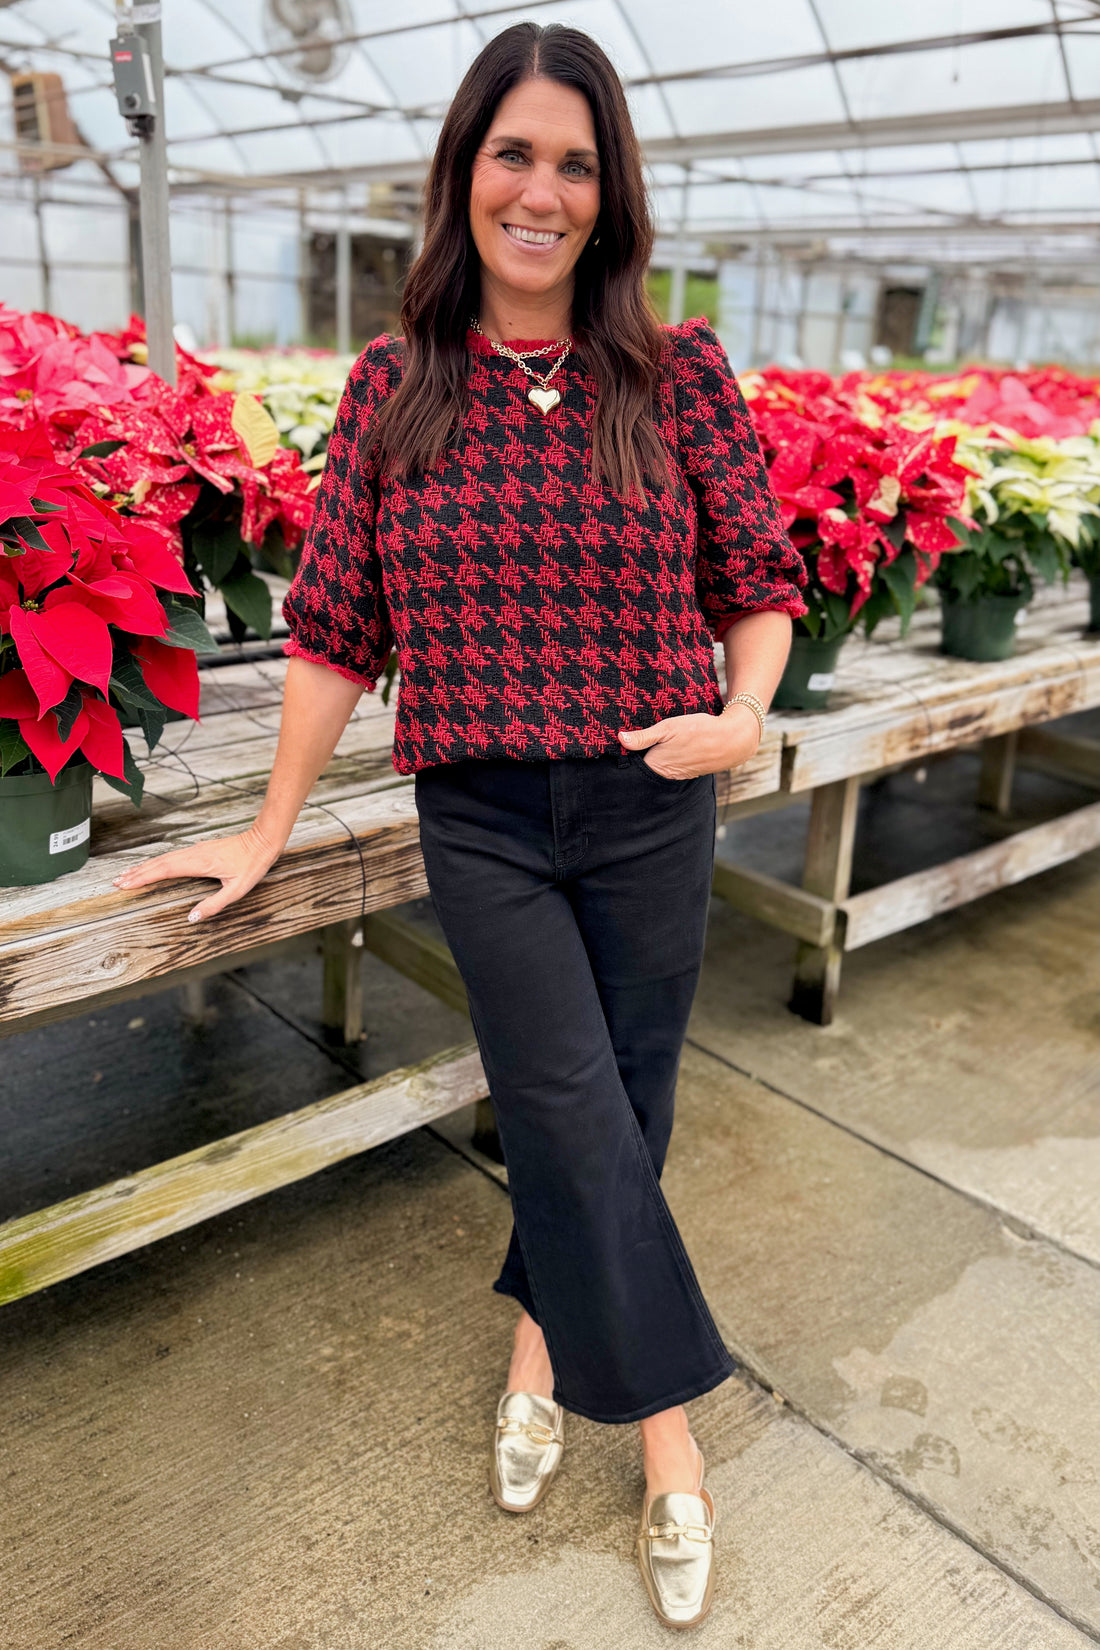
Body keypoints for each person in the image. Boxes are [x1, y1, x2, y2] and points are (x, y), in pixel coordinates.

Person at [115, 21, 806, 1631]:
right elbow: (332, 631)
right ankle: (671, 1434)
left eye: (575, 163)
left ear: (608, 192)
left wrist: (746, 712)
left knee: (626, 1108)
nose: (541, 192)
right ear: (465, 171)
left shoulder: (677, 375)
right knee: (564, 1102)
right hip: (485, 815)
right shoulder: (396, 385)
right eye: (514, 155)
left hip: (653, 799)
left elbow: (762, 581)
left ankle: (538, 1346)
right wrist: (270, 826)